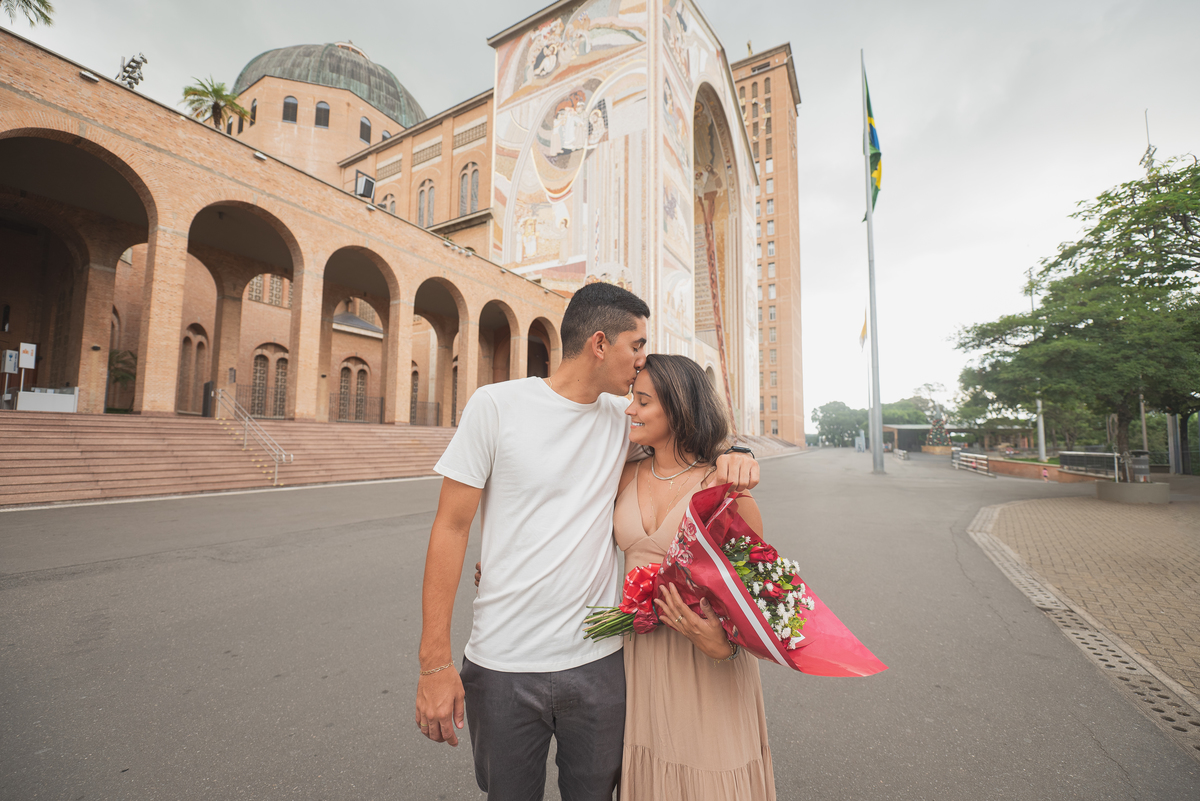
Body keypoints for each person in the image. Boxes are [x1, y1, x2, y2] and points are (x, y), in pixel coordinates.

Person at [414, 282, 758, 801]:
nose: (643, 362)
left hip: (598, 664)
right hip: (503, 663)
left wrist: (743, 452)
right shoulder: (496, 406)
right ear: (600, 344)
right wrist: (433, 663)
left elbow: (688, 436)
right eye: (637, 345)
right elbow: (450, 528)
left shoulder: (623, 420)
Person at [615, 354, 774, 800]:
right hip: (638, 658)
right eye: (632, 397)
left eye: (643, 401)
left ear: (679, 406)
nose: (631, 409)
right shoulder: (622, 475)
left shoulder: (724, 492)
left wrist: (722, 646)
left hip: (706, 664)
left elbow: (759, 597)